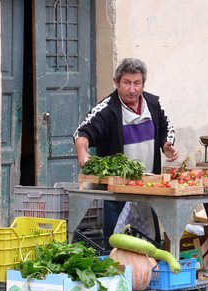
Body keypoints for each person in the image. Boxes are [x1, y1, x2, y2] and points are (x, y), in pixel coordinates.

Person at [73, 58, 179, 241]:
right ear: (116, 82)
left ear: (143, 84)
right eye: (127, 83)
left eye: (137, 83)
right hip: (118, 190)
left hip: (148, 187)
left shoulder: (153, 104)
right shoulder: (106, 109)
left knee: (151, 245)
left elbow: (166, 127)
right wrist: (83, 154)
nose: (132, 89)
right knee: (116, 243)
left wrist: (166, 144)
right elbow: (82, 133)